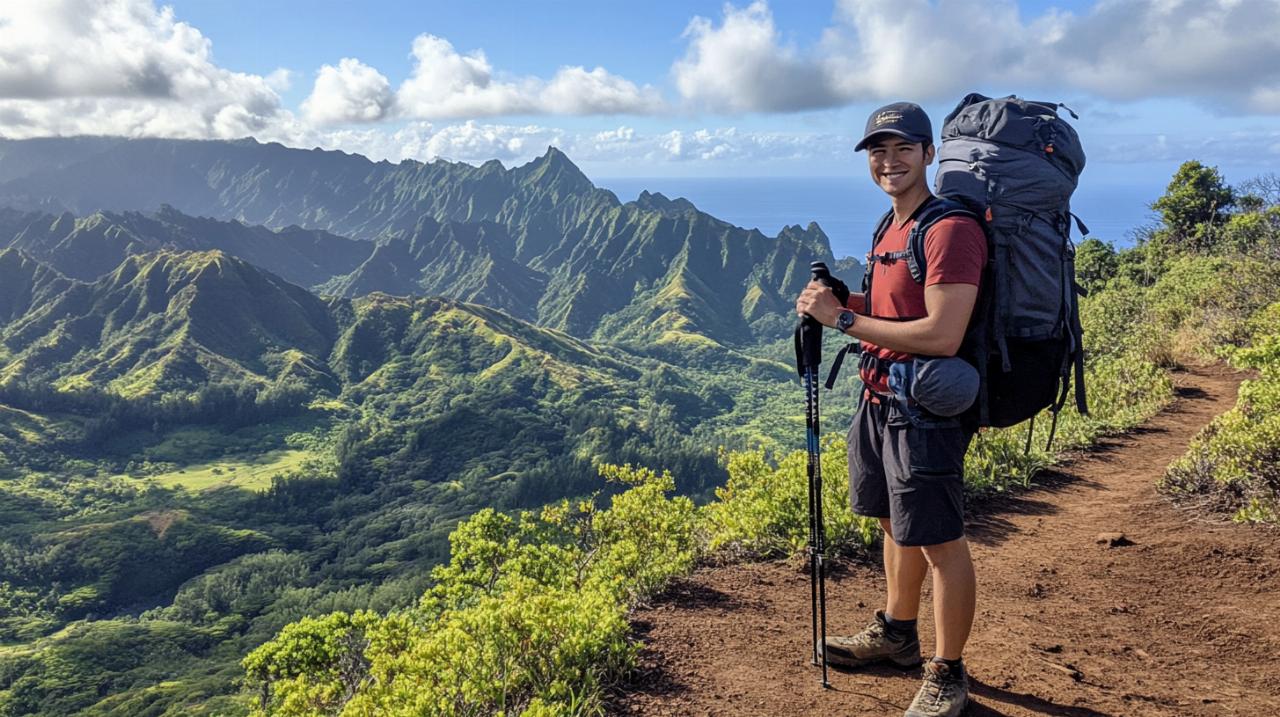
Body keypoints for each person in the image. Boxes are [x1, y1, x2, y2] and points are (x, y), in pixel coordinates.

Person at [794, 101, 987, 717]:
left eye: (903, 148)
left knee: (941, 542)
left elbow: (941, 335)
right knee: (891, 523)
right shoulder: (891, 225)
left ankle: (948, 671)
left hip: (923, 409)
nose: (889, 160)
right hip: (880, 398)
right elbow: (891, 308)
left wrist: (843, 319)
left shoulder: (950, 230)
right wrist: (839, 299)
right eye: (878, 150)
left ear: (930, 154)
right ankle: (898, 634)